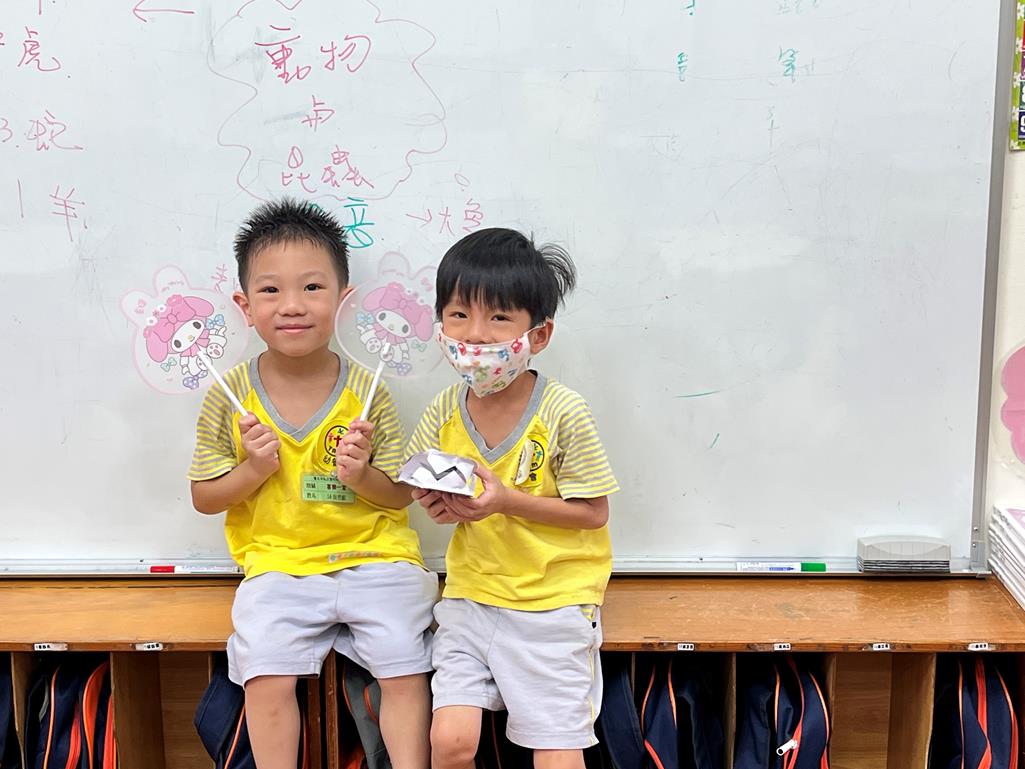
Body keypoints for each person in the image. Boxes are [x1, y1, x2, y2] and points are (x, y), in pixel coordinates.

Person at [189, 199, 436, 769]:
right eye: (270, 290)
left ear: (344, 301)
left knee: (404, 666)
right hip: (278, 566)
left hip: (377, 558)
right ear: (245, 306)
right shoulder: (229, 396)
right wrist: (253, 469)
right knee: (265, 674)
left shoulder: (368, 392)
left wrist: (362, 475)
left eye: (313, 287)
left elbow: (399, 494)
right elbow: (204, 497)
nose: (293, 305)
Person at [406, 228, 619, 769]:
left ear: (538, 334)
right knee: (451, 742)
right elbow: (418, 484)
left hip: (553, 603)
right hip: (471, 595)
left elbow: (593, 514)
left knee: (555, 747)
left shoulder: (564, 411)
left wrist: (506, 501)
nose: (475, 335)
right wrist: (438, 504)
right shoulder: (443, 410)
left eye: (499, 317)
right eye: (459, 315)